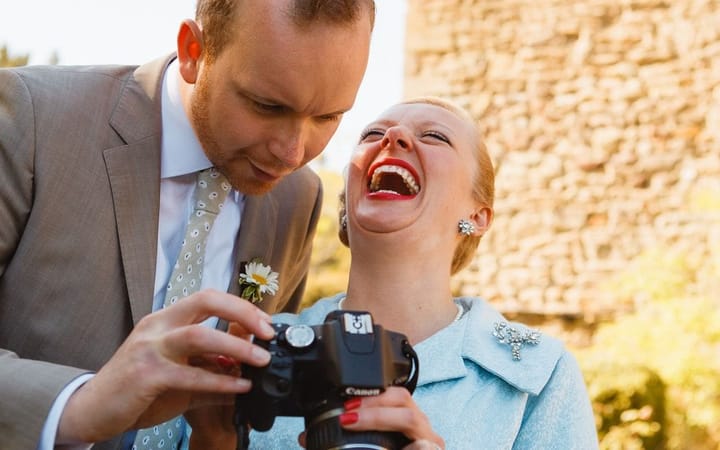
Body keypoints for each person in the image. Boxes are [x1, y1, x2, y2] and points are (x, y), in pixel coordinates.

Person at [0, 1, 375, 449]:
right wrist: (79, 406)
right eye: (266, 105)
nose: (292, 153)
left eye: (328, 117)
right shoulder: (33, 118)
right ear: (193, 49)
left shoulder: (298, 197)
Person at [208, 97, 598, 449]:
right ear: (346, 202)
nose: (392, 136)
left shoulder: (539, 375)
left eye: (435, 137)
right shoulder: (255, 352)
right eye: (372, 134)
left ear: (477, 217)